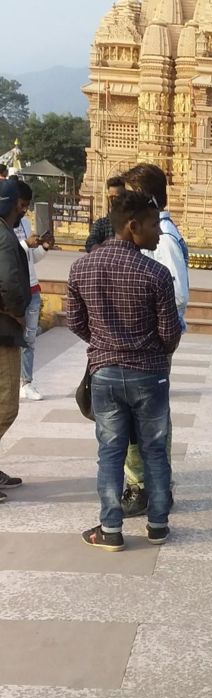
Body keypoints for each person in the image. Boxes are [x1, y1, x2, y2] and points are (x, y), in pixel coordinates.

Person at [67, 191, 182, 550]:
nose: (159, 232)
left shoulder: (81, 268)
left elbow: (75, 321)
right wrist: (149, 351)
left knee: (111, 452)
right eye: (153, 225)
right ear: (133, 226)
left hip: (105, 373)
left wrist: (105, 343)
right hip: (149, 373)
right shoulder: (156, 274)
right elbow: (169, 333)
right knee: (154, 450)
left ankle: (110, 529)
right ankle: (158, 525)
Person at [120, 162, 190, 517]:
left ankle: (147, 487)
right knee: (144, 414)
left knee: (147, 416)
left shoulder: (162, 237)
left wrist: (156, 332)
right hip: (141, 340)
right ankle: (152, 484)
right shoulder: (146, 232)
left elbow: (177, 293)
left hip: (148, 342)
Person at [0, 177, 31, 504]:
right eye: (21, 206)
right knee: (6, 405)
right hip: (4, 329)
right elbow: (9, 281)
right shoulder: (5, 236)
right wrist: (18, 312)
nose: (23, 212)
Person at [15, 180, 53, 401]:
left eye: (27, 205)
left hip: (32, 286)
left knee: (29, 338)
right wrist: (24, 245)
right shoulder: (3, 224)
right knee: (9, 339)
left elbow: (30, 258)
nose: (24, 209)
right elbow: (7, 254)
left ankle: (26, 382)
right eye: (22, 204)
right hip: (12, 290)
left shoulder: (25, 223)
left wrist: (43, 248)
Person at [85, 177, 126, 252]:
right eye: (111, 197)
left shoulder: (131, 223)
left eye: (117, 197)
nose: (114, 200)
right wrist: (105, 252)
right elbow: (90, 243)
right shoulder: (101, 223)